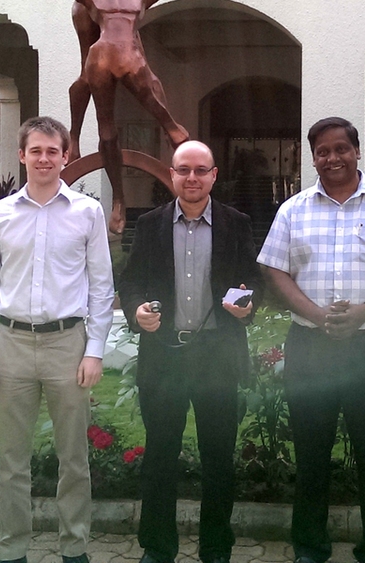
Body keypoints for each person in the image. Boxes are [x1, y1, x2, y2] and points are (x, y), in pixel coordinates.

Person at [257, 117, 365, 563]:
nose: (332, 158)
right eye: (322, 152)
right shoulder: (293, 210)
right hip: (310, 347)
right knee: (311, 453)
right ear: (313, 157)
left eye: (340, 149)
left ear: (357, 151)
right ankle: (310, 548)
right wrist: (314, 313)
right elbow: (273, 269)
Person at [0, 116, 115, 563]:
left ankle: (74, 548)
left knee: (74, 459)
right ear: (22, 154)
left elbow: (101, 288)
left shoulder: (87, 213)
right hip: (10, 345)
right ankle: (12, 550)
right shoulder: (0, 214)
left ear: (65, 156)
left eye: (53, 151)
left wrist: (94, 350)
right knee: (13, 462)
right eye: (36, 150)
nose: (44, 158)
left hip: (67, 345)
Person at [118, 140, 263, 563]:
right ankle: (157, 548)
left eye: (202, 170)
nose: (193, 178)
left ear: (214, 175)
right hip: (164, 355)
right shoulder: (150, 224)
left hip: (218, 356)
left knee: (219, 458)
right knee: (160, 456)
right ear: (172, 174)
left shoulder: (236, 223)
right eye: (184, 170)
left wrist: (247, 305)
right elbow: (130, 283)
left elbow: (252, 278)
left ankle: (216, 548)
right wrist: (135, 310)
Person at [69, 0, 190, 234]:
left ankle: (174, 135)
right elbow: (84, 78)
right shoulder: (85, 9)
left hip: (124, 53)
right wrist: (74, 138)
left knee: (150, 88)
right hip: (103, 57)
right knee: (105, 128)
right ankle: (118, 198)